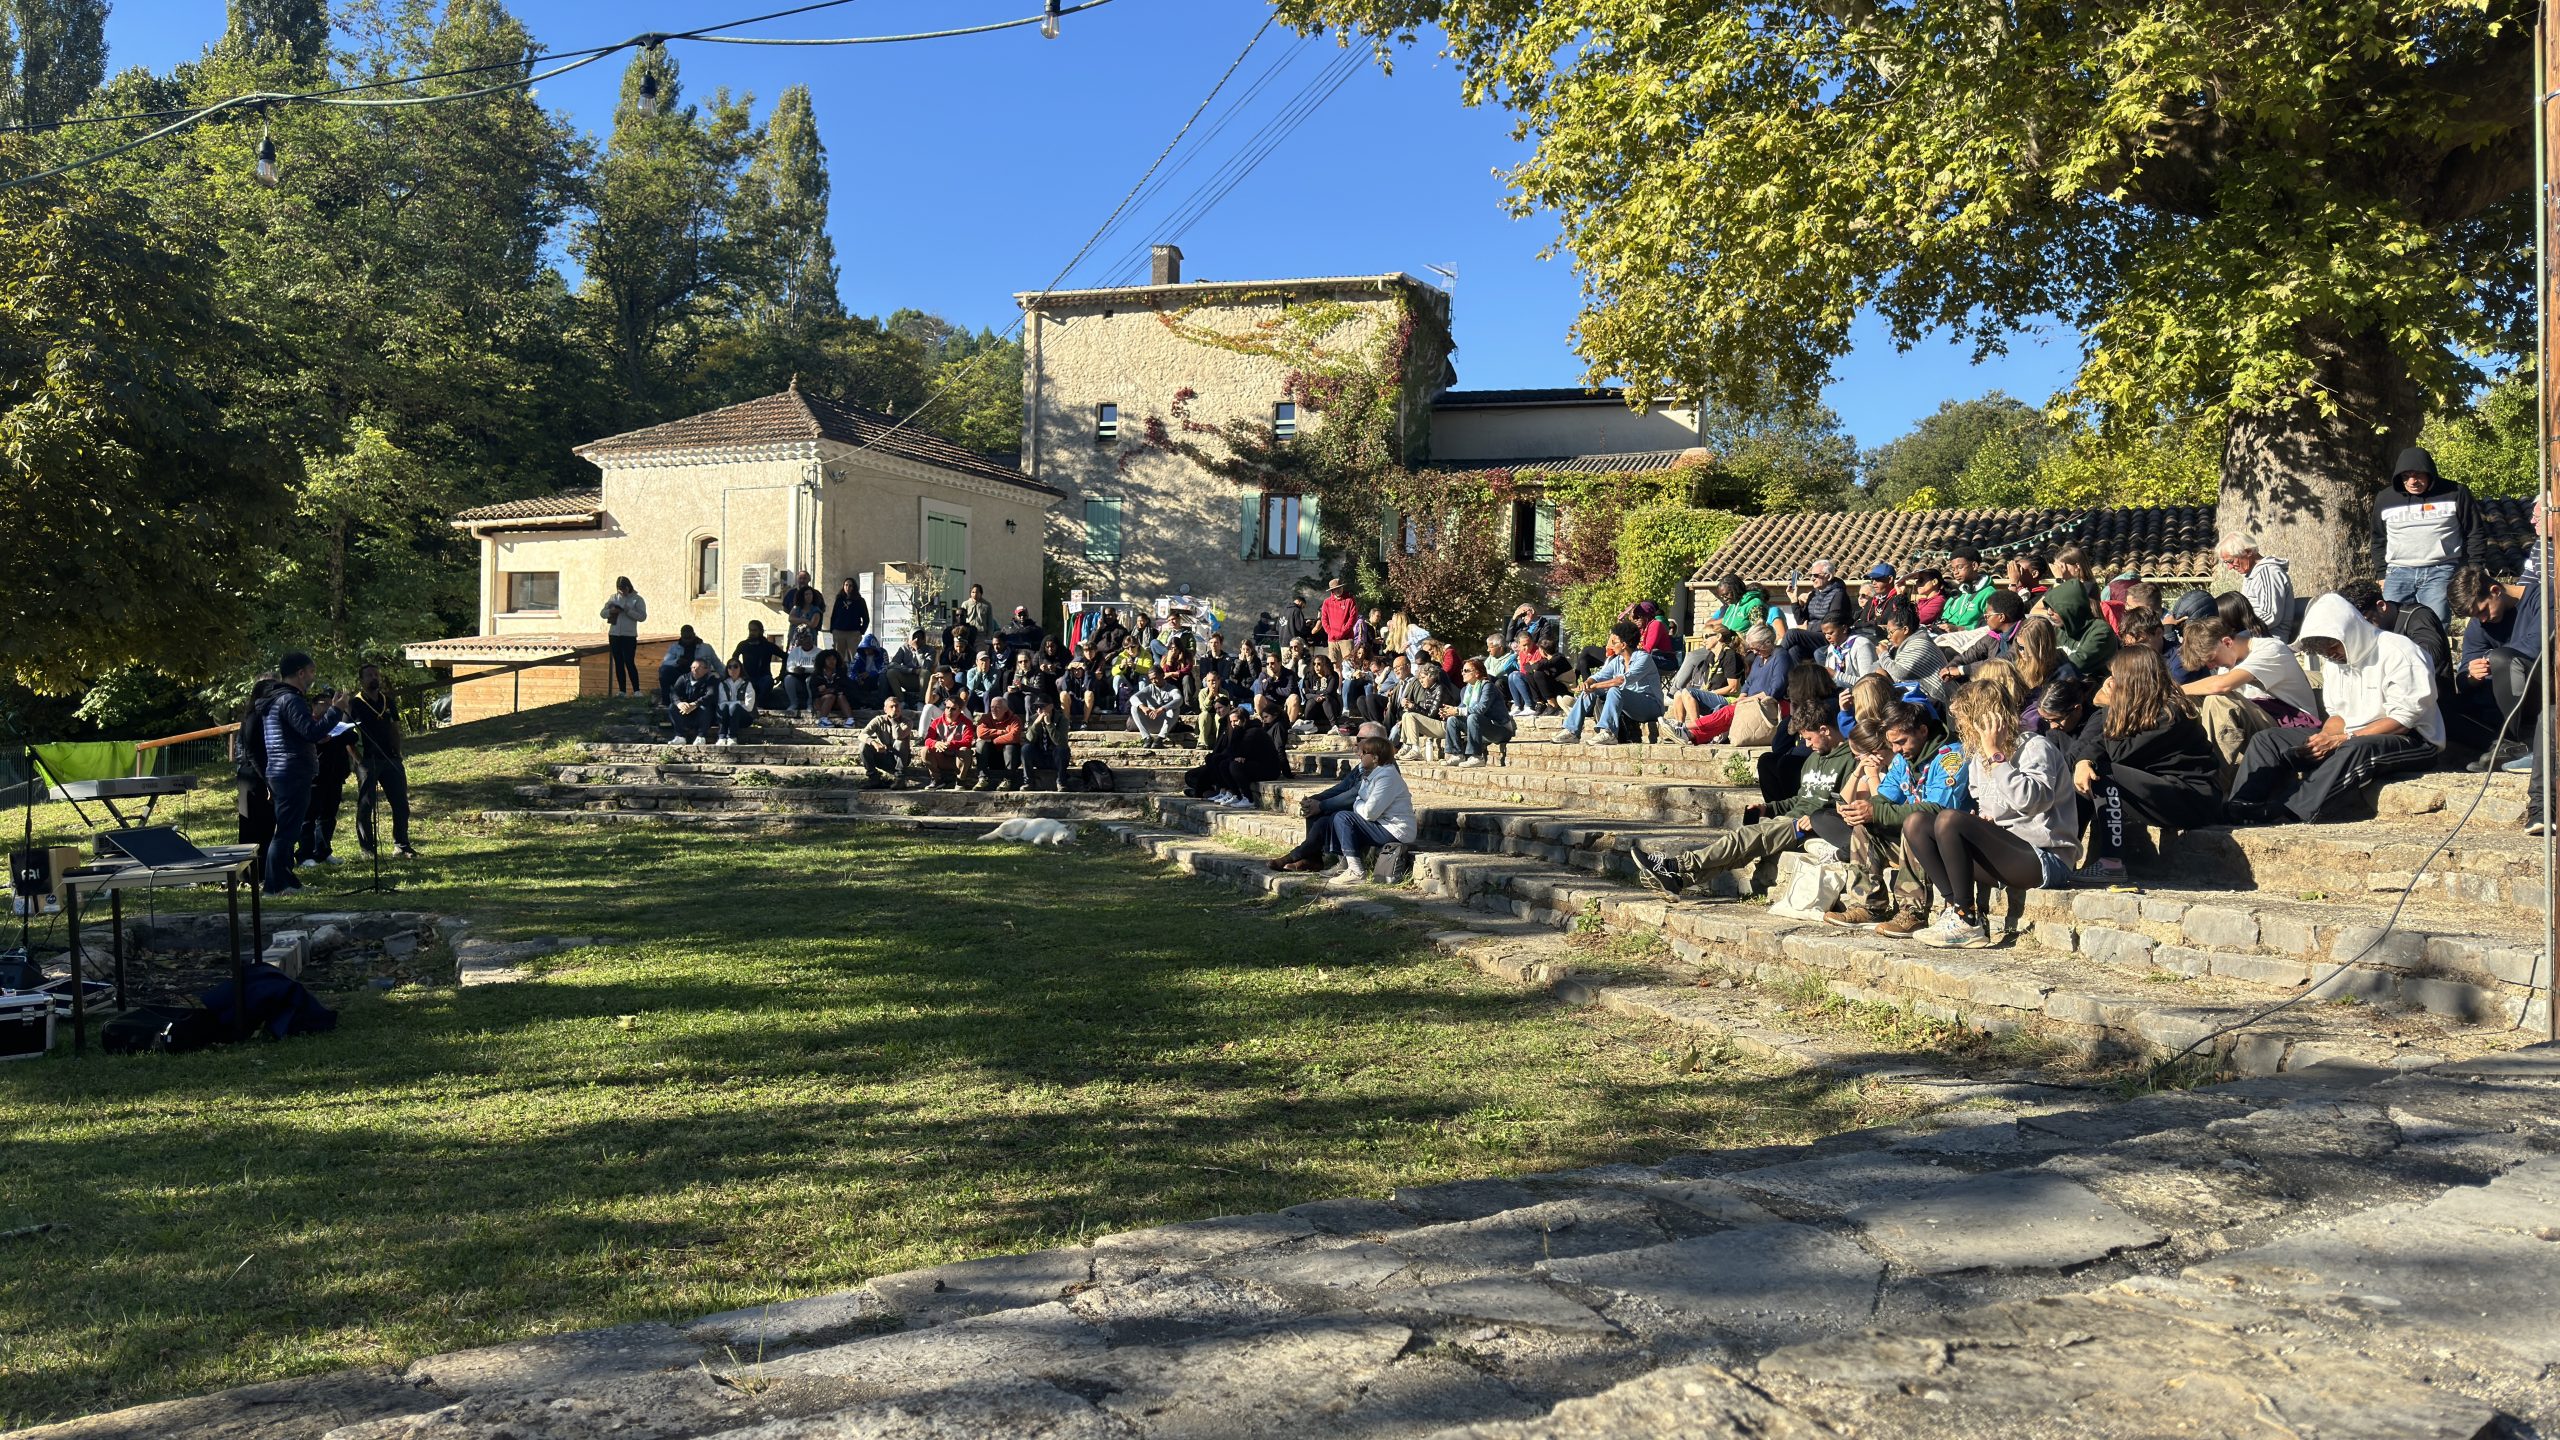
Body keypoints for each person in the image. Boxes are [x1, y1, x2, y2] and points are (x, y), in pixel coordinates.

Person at [2225, 594, 2445, 824]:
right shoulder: (2334, 663)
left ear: (2350, 633)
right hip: (2351, 734)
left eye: (2333, 647)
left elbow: (2403, 720)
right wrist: (2323, 738)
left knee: (2356, 747)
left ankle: (2289, 811)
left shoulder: (2399, 651)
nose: (2330, 655)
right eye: (2324, 652)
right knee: (2268, 740)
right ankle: (2241, 805)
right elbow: (2337, 715)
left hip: (2412, 738)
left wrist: (2342, 739)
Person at [1903, 683, 2079, 949]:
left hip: (2047, 858)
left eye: (1964, 719)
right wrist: (1985, 822)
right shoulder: (1977, 757)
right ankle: (1955, 909)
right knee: (1916, 823)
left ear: (1984, 720)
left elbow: (2030, 802)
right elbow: (1989, 808)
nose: (1959, 727)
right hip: (2008, 853)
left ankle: (1966, 919)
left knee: (1950, 819)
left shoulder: (2034, 747)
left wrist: (1996, 755)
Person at [1627, 706, 1860, 898]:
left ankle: (1676, 865)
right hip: (1790, 819)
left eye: (1809, 738)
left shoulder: (1850, 760)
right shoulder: (1813, 759)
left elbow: (1848, 803)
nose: (1807, 744)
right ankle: (1679, 880)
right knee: (1741, 850)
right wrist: (1768, 808)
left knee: (1742, 838)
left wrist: (1818, 819)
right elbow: (1801, 798)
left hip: (1811, 827)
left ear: (1825, 730)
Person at [2046, 649, 2221, 879]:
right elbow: (2101, 742)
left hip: (2192, 798)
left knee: (2100, 774)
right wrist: (2083, 761)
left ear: (2133, 680)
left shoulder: (2170, 713)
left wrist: (2110, 706)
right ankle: (2061, 858)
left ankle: (2111, 863)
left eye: (2116, 678)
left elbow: (2118, 753)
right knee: (2085, 774)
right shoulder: (2144, 709)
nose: (2110, 683)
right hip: (2165, 791)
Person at [1824, 700, 1970, 932]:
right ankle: (1869, 906)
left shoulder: (1951, 757)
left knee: (1914, 825)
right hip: (1915, 844)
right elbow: (1884, 798)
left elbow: (1938, 809)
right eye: (1892, 744)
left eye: (1901, 742)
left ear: (1923, 731)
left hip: (1948, 845)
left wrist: (1877, 811)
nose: (1895, 750)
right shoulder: (1903, 758)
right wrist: (1863, 808)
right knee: (1865, 827)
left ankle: (1913, 912)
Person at [2177, 614, 2318, 775]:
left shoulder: (2270, 649)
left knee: (2217, 701)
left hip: (2294, 726)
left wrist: (2175, 689)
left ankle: (2220, 780)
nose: (2211, 666)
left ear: (2227, 642)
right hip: (2264, 721)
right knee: (2192, 701)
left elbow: (2221, 685)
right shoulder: (2227, 664)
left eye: (2212, 659)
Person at [259, 653, 344, 893]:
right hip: (291, 771)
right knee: (286, 831)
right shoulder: (290, 699)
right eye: (312, 672)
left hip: (283, 769)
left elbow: (297, 733)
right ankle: (275, 885)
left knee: (287, 829)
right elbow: (310, 731)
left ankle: (285, 881)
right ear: (300, 673)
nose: (313, 678)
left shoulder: (276, 699)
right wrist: (335, 711)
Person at [2450, 562, 2544, 771]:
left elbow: (2536, 646)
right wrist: (2471, 676)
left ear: (2495, 591)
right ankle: (2503, 747)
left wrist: (2492, 660)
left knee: (2503, 659)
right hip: (2495, 703)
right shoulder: (2480, 624)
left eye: (2482, 611)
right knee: (2442, 708)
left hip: (2538, 690)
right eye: (2475, 616)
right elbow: (2464, 674)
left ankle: (2516, 743)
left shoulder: (2543, 598)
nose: (2482, 620)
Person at [2373, 446, 2479, 625]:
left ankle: (2433, 654)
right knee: (2390, 625)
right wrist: (2382, 574)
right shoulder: (2385, 498)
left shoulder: (2456, 493)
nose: (2412, 481)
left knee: (2435, 624)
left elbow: (2474, 532)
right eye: (2406, 477)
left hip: (2441, 570)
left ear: (2430, 473)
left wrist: (2474, 569)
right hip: (2398, 572)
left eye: (2417, 475)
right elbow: (2378, 538)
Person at [1322, 736, 1417, 887]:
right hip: (1383, 824)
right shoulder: (1373, 774)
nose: (1360, 754)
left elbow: (1369, 813)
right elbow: (1364, 805)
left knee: (1343, 818)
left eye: (1364, 752)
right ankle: (1344, 863)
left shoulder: (1387, 777)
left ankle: (1356, 871)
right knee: (1336, 816)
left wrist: (1357, 803)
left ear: (1375, 758)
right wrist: (1360, 803)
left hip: (1396, 830)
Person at [347, 665, 416, 860]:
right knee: (366, 804)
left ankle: (402, 845)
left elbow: (395, 727)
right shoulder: (355, 704)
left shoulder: (388, 702)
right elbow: (347, 735)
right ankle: (368, 849)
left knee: (401, 803)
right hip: (367, 760)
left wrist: (397, 754)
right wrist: (358, 760)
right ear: (361, 680)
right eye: (369, 675)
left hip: (390, 759)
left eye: (376, 674)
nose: (373, 678)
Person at [1682, 623, 1788, 745]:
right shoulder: (1759, 658)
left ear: (1768, 642)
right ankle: (1692, 735)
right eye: (1752, 648)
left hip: (1770, 704)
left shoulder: (1780, 656)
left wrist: (1748, 700)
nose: (1754, 652)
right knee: (1727, 716)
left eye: (1756, 648)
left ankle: (1685, 727)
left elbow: (1776, 689)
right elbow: (1748, 683)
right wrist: (1743, 695)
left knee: (1727, 712)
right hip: (1754, 703)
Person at [298, 687, 355, 866]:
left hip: (335, 775)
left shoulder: (336, 723)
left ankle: (323, 851)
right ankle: (305, 854)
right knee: (309, 817)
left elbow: (351, 738)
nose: (327, 706)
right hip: (314, 777)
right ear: (314, 705)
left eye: (330, 703)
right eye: (323, 703)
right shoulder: (308, 724)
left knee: (328, 816)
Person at [233, 677, 281, 850]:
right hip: (253, 777)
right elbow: (253, 753)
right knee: (251, 829)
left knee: (267, 827)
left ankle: (262, 872)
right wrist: (267, 781)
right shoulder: (254, 716)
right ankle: (248, 874)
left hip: (264, 774)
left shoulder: (267, 716)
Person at [2036, 578, 2118, 679]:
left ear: (2071, 608)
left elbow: (2075, 664)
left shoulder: (2101, 632)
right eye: (2047, 607)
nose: (2049, 612)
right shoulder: (2058, 630)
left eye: (2054, 608)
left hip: (2094, 690)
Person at [2219, 536, 2297, 641]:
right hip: (2255, 638)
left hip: (2269, 641)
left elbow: (2270, 615)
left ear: (2248, 552)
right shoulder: (2252, 574)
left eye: (2231, 561)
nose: (2230, 567)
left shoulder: (2268, 573)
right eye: (2226, 563)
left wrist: (2239, 632)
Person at [1873, 601, 1951, 707]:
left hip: (1941, 703)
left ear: (1905, 629)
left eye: (1891, 632)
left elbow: (1898, 672)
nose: (1888, 637)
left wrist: (1883, 655)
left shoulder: (1919, 644)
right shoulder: (1910, 642)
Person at [1443, 657, 1512, 767]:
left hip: (1500, 730)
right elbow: (1461, 709)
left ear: (1477, 673)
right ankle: (1457, 755)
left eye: (1466, 671)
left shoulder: (1488, 687)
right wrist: (1449, 712)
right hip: (1481, 730)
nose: (1462, 673)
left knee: (1473, 717)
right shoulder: (1465, 690)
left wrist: (1458, 710)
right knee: (1452, 719)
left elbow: (1481, 709)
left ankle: (1476, 757)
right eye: (1462, 670)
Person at [600, 578, 648, 695]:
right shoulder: (613, 598)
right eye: (620, 590)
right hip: (614, 634)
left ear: (629, 587)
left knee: (629, 661)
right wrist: (612, 611)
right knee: (618, 662)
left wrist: (628, 611)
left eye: (624, 589)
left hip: (629, 635)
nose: (622, 593)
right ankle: (622, 690)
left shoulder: (637, 599)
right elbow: (602, 613)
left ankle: (637, 690)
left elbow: (642, 617)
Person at [657, 626, 716, 715]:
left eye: (689, 637)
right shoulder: (674, 647)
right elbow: (665, 663)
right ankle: (666, 701)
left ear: (694, 634)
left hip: (700, 676)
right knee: (664, 670)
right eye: (685, 638)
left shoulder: (705, 648)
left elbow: (716, 663)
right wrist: (677, 661)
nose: (687, 640)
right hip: (681, 676)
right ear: (681, 636)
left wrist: (725, 675)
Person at [1936, 548, 1997, 632]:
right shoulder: (1956, 594)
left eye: (1960, 567)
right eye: (1953, 569)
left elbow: (1991, 627)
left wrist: (1959, 629)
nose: (1955, 572)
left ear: (1974, 566)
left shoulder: (1989, 593)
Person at [859, 696, 915, 787]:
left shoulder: (907, 721)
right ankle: (873, 778)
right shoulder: (878, 720)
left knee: (900, 742)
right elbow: (862, 734)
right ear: (885, 709)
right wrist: (874, 742)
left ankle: (900, 778)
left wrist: (894, 720)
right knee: (863, 745)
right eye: (891, 707)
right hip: (883, 756)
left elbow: (898, 735)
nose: (895, 709)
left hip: (900, 758)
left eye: (897, 706)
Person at [973, 698, 1026, 791]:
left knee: (1010, 746)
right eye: (992, 707)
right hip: (992, 756)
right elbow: (980, 733)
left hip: (1010, 758)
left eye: (997, 707)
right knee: (981, 744)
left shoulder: (1015, 719)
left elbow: (1013, 737)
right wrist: (1001, 732)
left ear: (1006, 709)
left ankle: (1008, 780)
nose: (993, 710)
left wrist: (994, 740)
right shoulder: (985, 718)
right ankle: (982, 778)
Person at [921, 701, 977, 788]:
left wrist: (950, 744)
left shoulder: (967, 723)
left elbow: (968, 742)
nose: (949, 711)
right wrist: (935, 743)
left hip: (958, 759)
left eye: (953, 709)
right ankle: (937, 779)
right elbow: (927, 740)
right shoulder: (936, 722)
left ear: (960, 710)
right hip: (942, 757)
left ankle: (960, 781)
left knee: (964, 750)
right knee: (925, 750)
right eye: (947, 708)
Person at [1024, 696, 1075, 789]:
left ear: (1051, 706)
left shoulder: (1061, 719)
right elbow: (1029, 739)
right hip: (1040, 757)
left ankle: (1061, 781)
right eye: (1037, 707)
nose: (1039, 710)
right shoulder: (1033, 719)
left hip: (1055, 758)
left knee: (1062, 749)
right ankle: (1028, 782)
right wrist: (1036, 724)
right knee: (1026, 748)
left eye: (1042, 706)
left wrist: (1049, 725)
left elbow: (1061, 742)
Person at [731, 621, 784, 709]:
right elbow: (734, 659)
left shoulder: (768, 646)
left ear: (761, 631)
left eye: (755, 630)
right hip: (747, 677)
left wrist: (781, 675)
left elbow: (785, 657)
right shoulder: (743, 645)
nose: (752, 633)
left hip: (763, 678)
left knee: (768, 681)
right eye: (750, 630)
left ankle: (759, 705)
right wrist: (739, 674)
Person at [669, 657, 718, 745]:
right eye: (693, 667)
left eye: (698, 668)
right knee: (672, 707)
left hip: (703, 716)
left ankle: (701, 737)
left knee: (705, 706)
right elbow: (674, 693)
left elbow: (711, 695)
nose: (695, 670)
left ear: (706, 670)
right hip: (686, 713)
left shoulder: (711, 679)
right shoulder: (683, 678)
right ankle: (680, 736)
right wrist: (679, 703)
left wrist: (695, 704)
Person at [1818, 614, 1878, 684]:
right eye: (1825, 634)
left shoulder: (1862, 645)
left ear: (1844, 629)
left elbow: (1868, 681)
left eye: (1831, 633)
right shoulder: (1832, 648)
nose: (1827, 637)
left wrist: (1836, 675)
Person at [1130, 667, 1182, 745]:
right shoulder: (1149, 688)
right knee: (1134, 708)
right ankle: (1146, 738)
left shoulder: (1172, 689)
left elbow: (1179, 699)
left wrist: (1162, 709)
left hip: (1166, 723)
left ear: (1162, 675)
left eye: (1155, 678)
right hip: (1151, 722)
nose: (1153, 681)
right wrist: (1142, 706)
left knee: (1175, 709)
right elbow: (1133, 698)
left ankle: (1160, 738)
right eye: (1151, 679)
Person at [1799, 559, 1851, 632]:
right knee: (1792, 635)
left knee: (1792, 635)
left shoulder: (1839, 594)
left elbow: (1833, 621)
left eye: (1816, 575)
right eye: (1811, 575)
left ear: (1828, 576)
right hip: (1811, 633)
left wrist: (1809, 627)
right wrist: (1795, 602)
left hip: (1828, 634)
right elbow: (1801, 623)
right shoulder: (1812, 595)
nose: (1812, 579)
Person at [713, 659, 758, 745]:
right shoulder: (722, 684)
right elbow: (722, 703)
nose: (732, 669)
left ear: (740, 668)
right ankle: (722, 736)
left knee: (734, 707)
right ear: (727, 669)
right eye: (730, 667)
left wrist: (734, 705)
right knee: (723, 707)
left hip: (743, 718)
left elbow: (749, 707)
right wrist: (740, 702)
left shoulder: (747, 684)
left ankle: (732, 737)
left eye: (735, 666)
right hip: (726, 716)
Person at [780, 627, 821, 718]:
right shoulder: (795, 651)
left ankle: (810, 704)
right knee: (788, 679)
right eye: (803, 639)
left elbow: (820, 669)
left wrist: (806, 670)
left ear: (812, 639)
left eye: (808, 638)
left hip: (813, 679)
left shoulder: (819, 652)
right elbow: (789, 667)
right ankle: (793, 703)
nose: (806, 641)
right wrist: (795, 670)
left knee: (809, 680)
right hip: (798, 677)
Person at [810, 649, 855, 726]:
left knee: (841, 696)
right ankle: (822, 720)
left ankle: (850, 720)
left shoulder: (840, 673)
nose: (832, 661)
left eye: (834, 659)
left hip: (838, 702)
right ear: (823, 660)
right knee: (830, 696)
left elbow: (845, 687)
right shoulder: (817, 674)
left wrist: (828, 689)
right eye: (828, 659)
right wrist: (829, 691)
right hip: (820, 702)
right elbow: (814, 691)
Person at [829, 578, 870, 657]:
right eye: (846, 585)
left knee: (854, 657)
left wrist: (861, 631)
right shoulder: (839, 599)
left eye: (850, 586)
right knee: (839, 657)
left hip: (853, 633)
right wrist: (832, 629)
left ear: (854, 587)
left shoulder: (860, 601)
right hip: (839, 632)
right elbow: (834, 615)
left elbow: (866, 618)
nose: (848, 587)